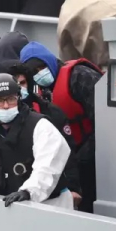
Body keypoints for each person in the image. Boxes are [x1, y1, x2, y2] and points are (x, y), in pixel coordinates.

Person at [0, 59, 82, 207]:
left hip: (51, 204)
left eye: (10, 99)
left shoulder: (40, 125)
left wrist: (28, 191)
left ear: (18, 98)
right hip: (12, 204)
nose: (5, 106)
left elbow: (49, 164)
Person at [20, 41, 103, 213]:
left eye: (41, 67)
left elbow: (106, 120)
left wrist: (85, 155)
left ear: (50, 61)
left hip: (100, 153)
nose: (39, 74)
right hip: (75, 160)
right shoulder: (42, 94)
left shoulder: (80, 76)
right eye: (33, 72)